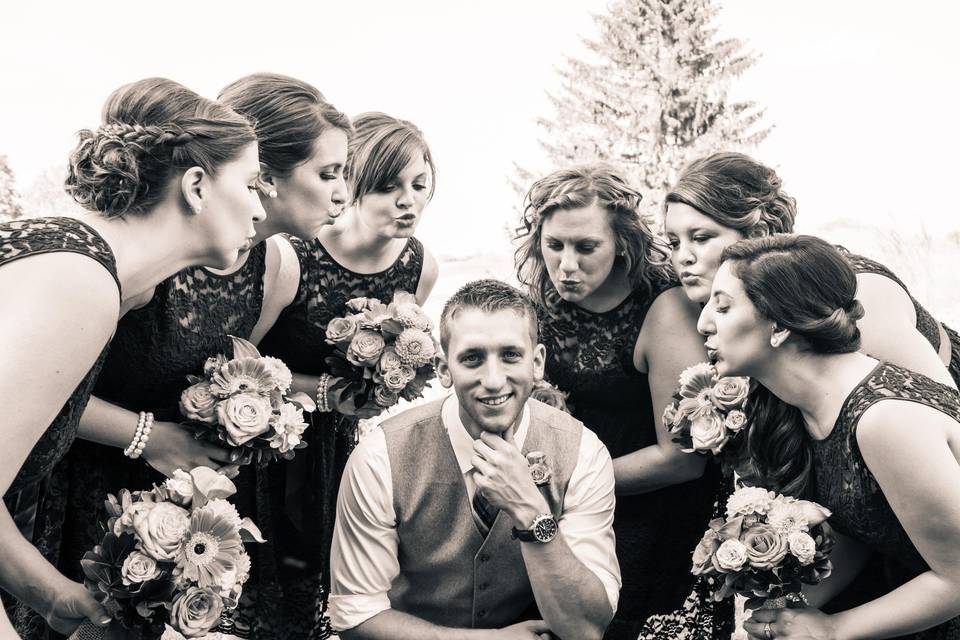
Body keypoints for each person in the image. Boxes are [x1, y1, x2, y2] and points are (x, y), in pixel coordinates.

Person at [30, 73, 352, 640]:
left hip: (171, 498)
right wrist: (148, 438)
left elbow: (228, 376)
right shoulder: (125, 268)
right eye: (328, 173)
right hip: (70, 475)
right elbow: (45, 391)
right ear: (262, 177)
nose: (342, 193)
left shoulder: (275, 267)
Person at [1, 76, 262, 638]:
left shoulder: (86, 266)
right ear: (196, 186)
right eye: (252, 184)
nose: (260, 209)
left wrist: (51, 595)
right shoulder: (80, 282)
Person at [697, 234, 960, 640]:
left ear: (779, 325)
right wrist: (784, 613)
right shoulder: (801, 406)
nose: (703, 324)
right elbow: (861, 527)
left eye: (724, 306)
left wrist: (833, 629)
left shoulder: (884, 420)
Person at [328, 279, 619, 640]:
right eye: (472, 358)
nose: (494, 380)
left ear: (538, 362)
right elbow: (356, 618)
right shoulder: (379, 458)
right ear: (443, 369)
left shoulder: (583, 454)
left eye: (511, 355)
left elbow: (585, 629)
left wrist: (531, 511)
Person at [514, 165, 728, 639]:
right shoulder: (541, 305)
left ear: (623, 245)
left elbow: (682, 460)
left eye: (586, 247)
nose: (567, 265)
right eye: (555, 246)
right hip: (560, 507)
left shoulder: (665, 310)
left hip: (648, 513)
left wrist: (566, 487)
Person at [256, 111, 439, 636]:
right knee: (274, 591)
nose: (408, 201)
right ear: (352, 187)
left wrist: (384, 385)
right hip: (268, 443)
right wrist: (323, 391)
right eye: (388, 186)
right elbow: (240, 360)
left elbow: (394, 367)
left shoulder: (419, 266)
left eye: (419, 185)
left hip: (342, 448)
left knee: (333, 590)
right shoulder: (294, 254)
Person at [664, 151, 958, 389]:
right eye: (674, 243)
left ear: (758, 233)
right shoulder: (720, 316)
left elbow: (947, 409)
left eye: (701, 238)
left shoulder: (853, 294)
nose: (683, 257)